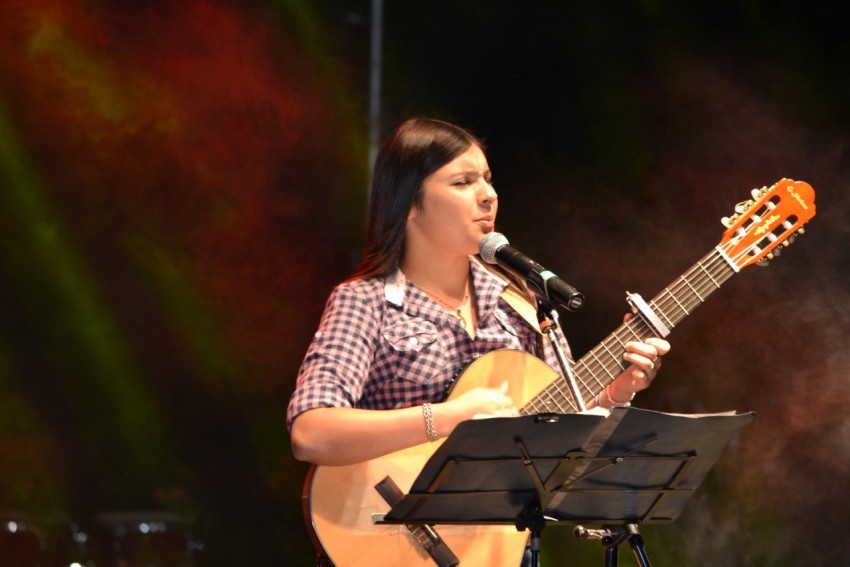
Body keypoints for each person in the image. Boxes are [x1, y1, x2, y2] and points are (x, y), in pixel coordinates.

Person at [287, 117, 670, 467]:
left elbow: (557, 419)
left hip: (507, 519)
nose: (488, 195)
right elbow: (311, 434)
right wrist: (448, 418)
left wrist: (615, 392)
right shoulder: (366, 302)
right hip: (395, 514)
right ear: (409, 204)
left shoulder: (520, 301)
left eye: (487, 179)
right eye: (463, 182)